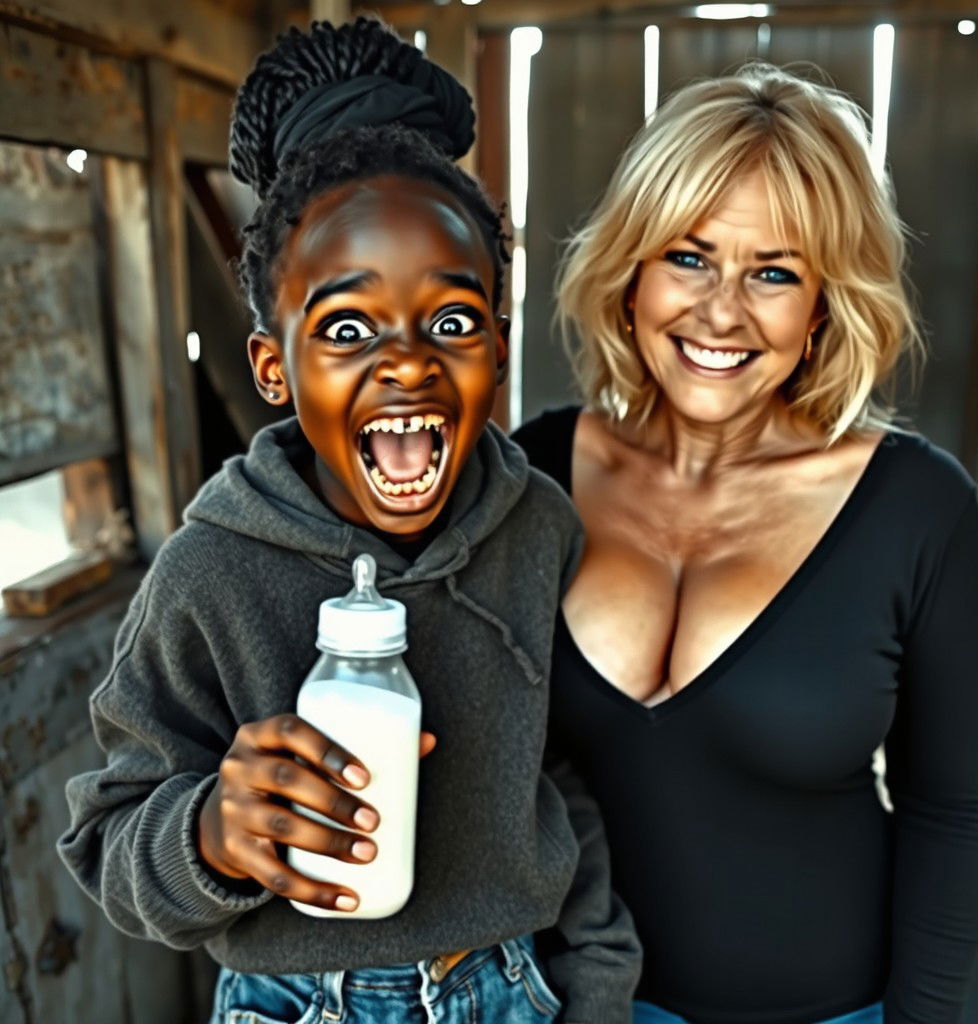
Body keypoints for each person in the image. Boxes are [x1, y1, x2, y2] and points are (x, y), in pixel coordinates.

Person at [58, 18, 640, 1024]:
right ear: (273, 366)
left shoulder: (536, 529)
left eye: (451, 321)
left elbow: (559, 771)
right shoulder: (212, 573)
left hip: (506, 986)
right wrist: (210, 834)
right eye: (346, 327)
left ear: (499, 348)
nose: (407, 362)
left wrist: (595, 978)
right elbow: (109, 838)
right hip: (293, 1000)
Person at [516, 64, 978, 1024]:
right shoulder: (535, 474)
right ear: (632, 269)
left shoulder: (916, 508)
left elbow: (954, 810)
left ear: (823, 305)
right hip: (558, 1005)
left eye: (773, 272)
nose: (721, 311)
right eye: (689, 258)